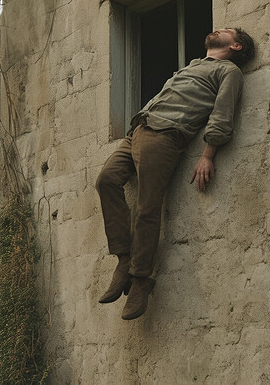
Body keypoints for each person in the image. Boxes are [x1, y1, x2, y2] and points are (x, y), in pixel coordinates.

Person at [96, 27, 255, 320]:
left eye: (227, 31)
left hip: (165, 135)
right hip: (138, 130)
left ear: (235, 46)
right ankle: (124, 259)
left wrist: (208, 155)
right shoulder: (194, 66)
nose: (217, 28)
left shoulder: (229, 72)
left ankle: (141, 279)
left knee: (147, 207)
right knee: (106, 180)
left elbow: (222, 116)